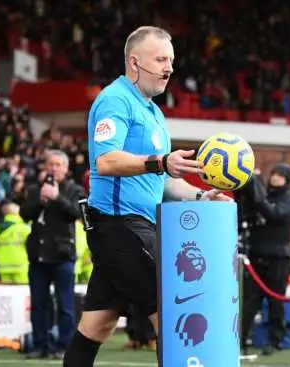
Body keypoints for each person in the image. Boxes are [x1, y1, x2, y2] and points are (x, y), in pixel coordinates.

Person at [63, 26, 231, 367]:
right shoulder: (115, 100)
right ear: (134, 62)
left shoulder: (154, 112)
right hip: (120, 227)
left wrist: (203, 198)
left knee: (96, 326)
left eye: (171, 60)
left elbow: (162, 181)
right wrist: (161, 162)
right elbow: (106, 162)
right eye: (161, 59)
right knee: (171, 317)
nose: (169, 68)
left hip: (132, 228)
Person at [21, 150, 85, 359]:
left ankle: (64, 347)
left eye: (58, 165)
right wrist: (40, 200)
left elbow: (78, 213)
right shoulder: (34, 189)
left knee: (65, 305)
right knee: (39, 305)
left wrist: (58, 198)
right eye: (50, 164)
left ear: (65, 169)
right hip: (38, 257)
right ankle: (41, 346)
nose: (54, 168)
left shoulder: (74, 189)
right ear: (44, 167)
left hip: (63, 256)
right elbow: (24, 214)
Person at [240, 163, 290, 356]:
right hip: (256, 255)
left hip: (278, 258)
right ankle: (240, 340)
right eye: (273, 173)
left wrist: (258, 194)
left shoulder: (289, 200)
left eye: (280, 175)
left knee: (276, 302)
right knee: (249, 301)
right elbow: (245, 211)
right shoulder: (261, 195)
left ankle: (275, 340)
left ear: (287, 179)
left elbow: (273, 213)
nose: (275, 178)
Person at [0, 200, 31, 284]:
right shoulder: (24, 228)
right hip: (21, 268)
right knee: (22, 294)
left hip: (3, 268)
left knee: (6, 295)